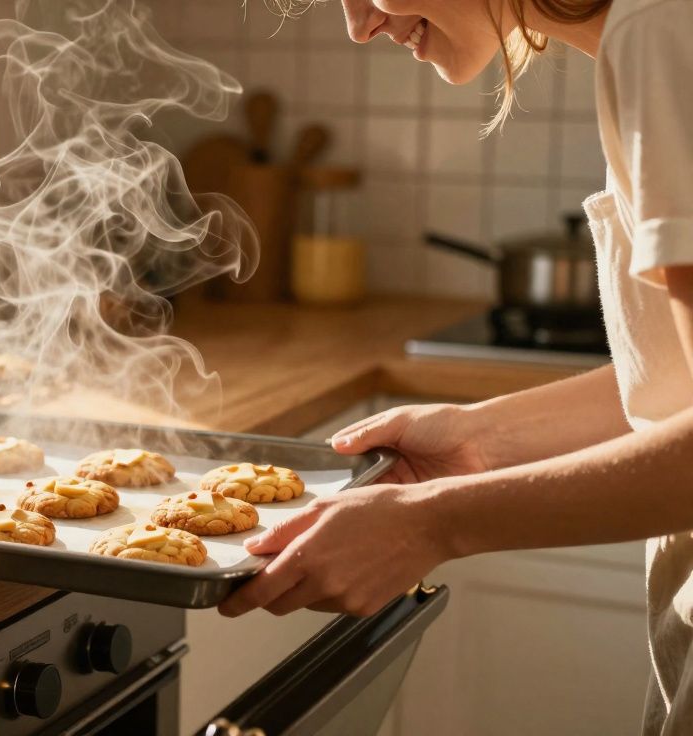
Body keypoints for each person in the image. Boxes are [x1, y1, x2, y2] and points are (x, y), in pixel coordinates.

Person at [217, 0, 693, 731]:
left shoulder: (659, 33)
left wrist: (431, 527)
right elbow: (676, 387)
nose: (359, 25)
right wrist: (482, 438)